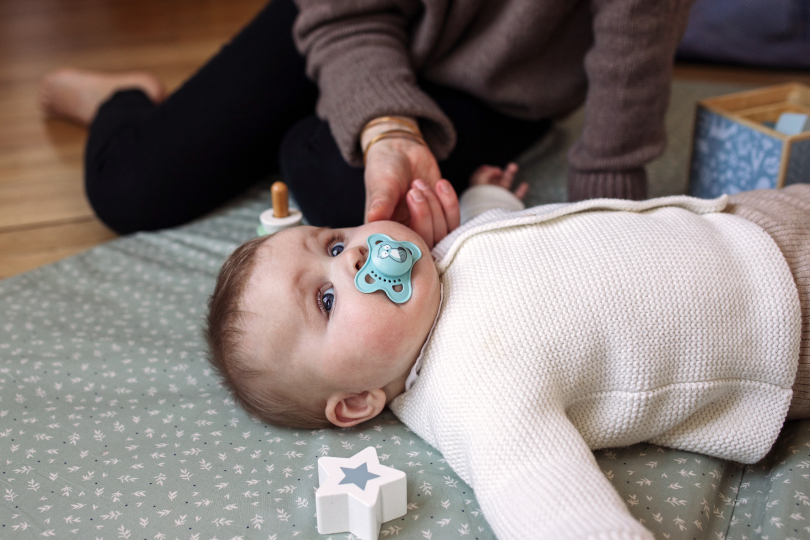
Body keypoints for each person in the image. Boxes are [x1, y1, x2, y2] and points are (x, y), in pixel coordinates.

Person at [203, 166, 810, 538]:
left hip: (747, 218)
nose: (355, 258)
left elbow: (502, 236)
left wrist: (488, 196)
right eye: (328, 302)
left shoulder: (441, 262)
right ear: (359, 400)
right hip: (784, 318)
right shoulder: (472, 393)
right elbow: (537, 492)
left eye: (333, 242)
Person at [39, 0, 693, 242]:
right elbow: (344, 14)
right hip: (353, 21)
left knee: (350, 194)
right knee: (130, 189)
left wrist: (616, 237)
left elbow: (632, 63)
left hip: (498, 86)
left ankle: (327, 121)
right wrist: (387, 125)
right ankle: (118, 96)